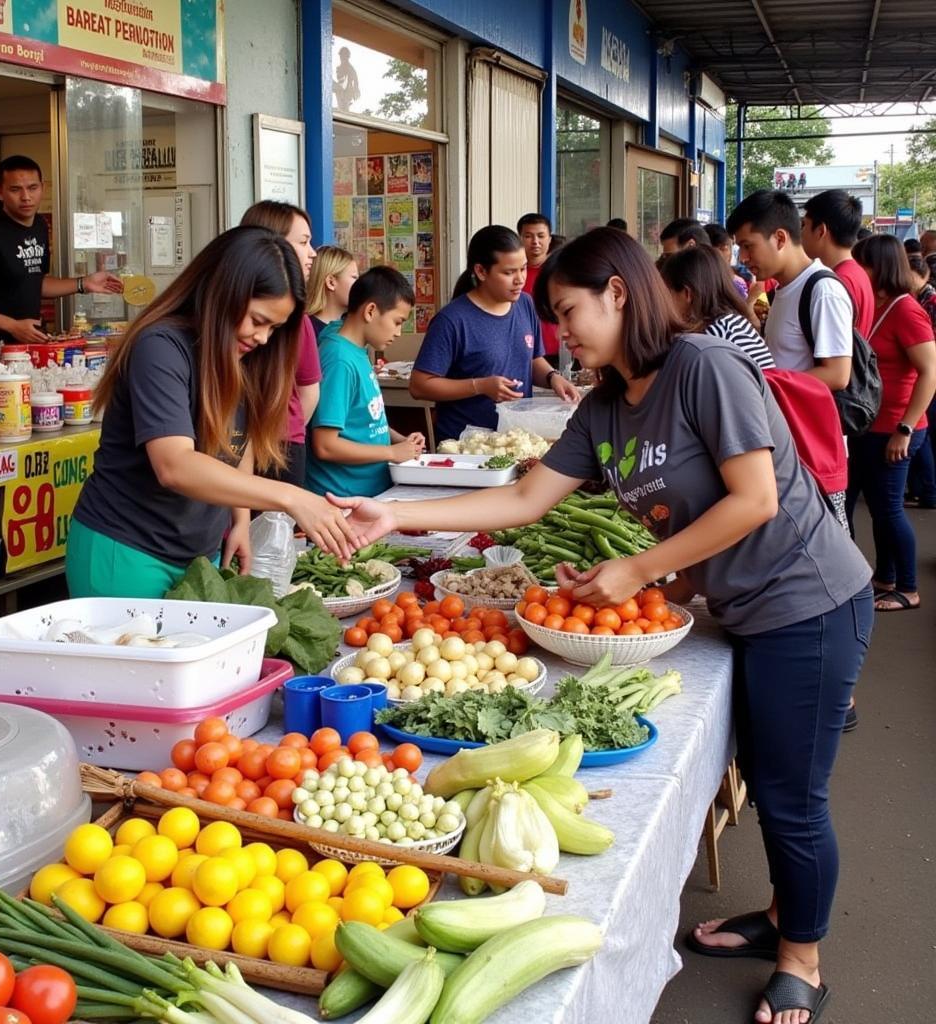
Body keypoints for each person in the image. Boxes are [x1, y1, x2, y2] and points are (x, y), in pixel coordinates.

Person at [332, 228, 873, 1024]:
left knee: (794, 798)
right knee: (769, 778)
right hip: (746, 608)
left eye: (569, 309)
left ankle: (803, 960)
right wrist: (395, 517)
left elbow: (755, 499)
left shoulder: (702, 368)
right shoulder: (608, 408)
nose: (561, 333)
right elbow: (521, 501)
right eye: (555, 317)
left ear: (619, 292)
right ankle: (782, 918)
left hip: (809, 603)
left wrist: (640, 571)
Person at [65, 227, 358, 598]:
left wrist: (239, 518)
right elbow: (174, 465)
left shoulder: (244, 352)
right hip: (126, 550)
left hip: (198, 553)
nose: (263, 338)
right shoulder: (161, 346)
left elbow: (238, 440)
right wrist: (292, 497)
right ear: (224, 293)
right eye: (257, 320)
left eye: (275, 327)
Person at [727, 189, 854, 533]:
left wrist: (762, 387)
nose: (743, 256)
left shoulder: (823, 289)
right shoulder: (783, 288)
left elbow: (838, 373)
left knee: (820, 540)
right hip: (786, 438)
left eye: (748, 245)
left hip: (810, 446)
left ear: (780, 238)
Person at [0, 155, 122, 369]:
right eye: (15, 190)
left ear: (43, 188)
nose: (26, 197)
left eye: (32, 187)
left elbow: (33, 281)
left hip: (23, 349)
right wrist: (12, 325)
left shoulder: (38, 225)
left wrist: (84, 283)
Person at [409, 225, 580, 443]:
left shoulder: (525, 304)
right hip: (467, 445)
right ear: (481, 271)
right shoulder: (452, 320)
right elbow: (419, 385)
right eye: (509, 272)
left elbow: (533, 359)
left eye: (523, 269)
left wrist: (553, 377)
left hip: (514, 439)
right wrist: (480, 386)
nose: (520, 279)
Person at [847, 235, 936, 611]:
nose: (856, 271)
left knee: (889, 510)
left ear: (879, 265)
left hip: (898, 428)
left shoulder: (906, 310)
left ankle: (909, 587)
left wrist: (904, 427)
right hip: (871, 426)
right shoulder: (876, 305)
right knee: (880, 509)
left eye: (861, 263)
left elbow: (929, 372)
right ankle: (886, 576)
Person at [307, 267, 425, 498]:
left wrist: (400, 441)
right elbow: (326, 445)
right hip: (341, 499)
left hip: (369, 492)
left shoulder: (356, 349)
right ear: (370, 311)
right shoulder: (339, 359)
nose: (399, 332)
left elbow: (363, 419)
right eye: (397, 322)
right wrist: (391, 452)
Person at [240, 200, 321, 485]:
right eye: (303, 242)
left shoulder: (299, 322)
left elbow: (309, 392)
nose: (312, 254)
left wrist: (284, 429)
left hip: (279, 446)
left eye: (272, 326)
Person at [659, 245, 774, 369]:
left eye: (666, 294)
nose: (663, 303)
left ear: (688, 294)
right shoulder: (731, 322)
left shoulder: (712, 336)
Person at [800, 190, 874, 335]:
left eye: (804, 225)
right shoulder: (856, 272)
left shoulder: (836, 283)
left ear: (821, 231)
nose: (801, 233)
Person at [905, 253, 936, 507]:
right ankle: (921, 489)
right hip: (920, 379)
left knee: (923, 438)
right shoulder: (915, 301)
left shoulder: (926, 303)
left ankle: (929, 491)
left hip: (925, 380)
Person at [516, 213, 560, 360]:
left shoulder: (562, 271)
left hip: (560, 350)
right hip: (523, 351)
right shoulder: (511, 274)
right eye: (528, 236)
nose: (535, 241)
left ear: (549, 239)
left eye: (541, 236)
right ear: (519, 239)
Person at [305, 244, 358, 337]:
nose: (359, 284)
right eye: (354, 277)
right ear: (331, 282)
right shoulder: (305, 330)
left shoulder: (354, 326)